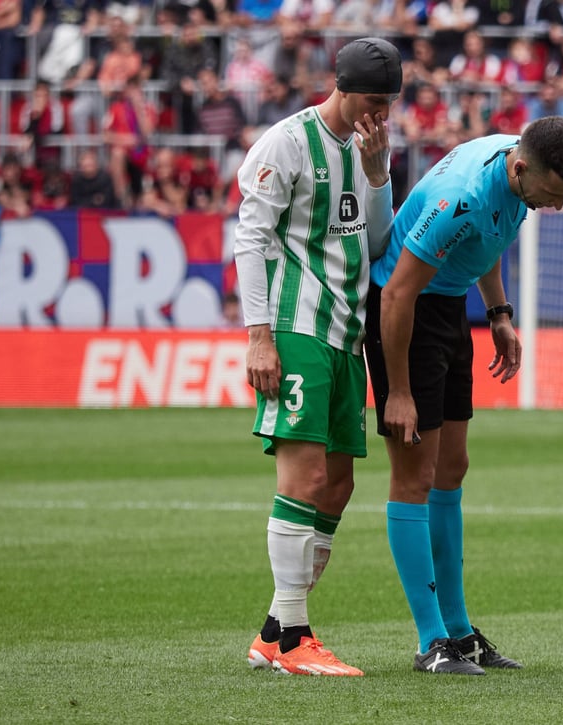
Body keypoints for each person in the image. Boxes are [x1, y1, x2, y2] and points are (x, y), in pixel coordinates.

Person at [366, 116, 563, 675]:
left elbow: (489, 239)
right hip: (407, 314)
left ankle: (460, 632)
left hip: (450, 306)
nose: (556, 207)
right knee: (414, 475)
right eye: (553, 195)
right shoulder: (460, 197)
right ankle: (430, 641)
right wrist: (398, 392)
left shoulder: (515, 171)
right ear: (521, 169)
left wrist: (498, 313)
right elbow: (395, 295)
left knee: (453, 467)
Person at [235, 36, 400, 678]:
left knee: (339, 483)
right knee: (303, 480)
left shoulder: (370, 148)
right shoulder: (285, 143)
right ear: (344, 87)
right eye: (373, 102)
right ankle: (295, 638)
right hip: (296, 325)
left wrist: (381, 173)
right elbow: (249, 237)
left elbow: (379, 238)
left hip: (346, 334)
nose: (381, 114)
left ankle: (275, 632)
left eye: (389, 104)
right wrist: (258, 335)